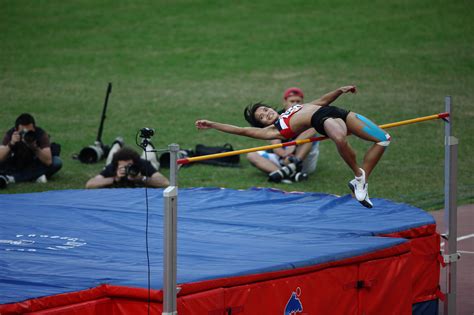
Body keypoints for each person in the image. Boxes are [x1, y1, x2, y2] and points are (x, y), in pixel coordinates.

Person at [195, 85, 391, 208]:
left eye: (265, 110)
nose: (266, 114)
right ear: (262, 125)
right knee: (340, 139)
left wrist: (340, 90)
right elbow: (241, 130)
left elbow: (322, 101)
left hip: (339, 113)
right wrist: (212, 124)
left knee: (383, 139)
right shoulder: (275, 130)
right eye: (261, 118)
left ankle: (361, 181)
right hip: (322, 120)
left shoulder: (292, 108)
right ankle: (358, 174)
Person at [246, 87, 319, 183]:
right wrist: (286, 157)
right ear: (285, 102)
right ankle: (288, 175)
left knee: (308, 139)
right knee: (251, 155)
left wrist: (293, 143)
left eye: (298, 101)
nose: (295, 104)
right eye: (292, 101)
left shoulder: (306, 114)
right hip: (284, 158)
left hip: (303, 159)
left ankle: (293, 167)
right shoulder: (274, 117)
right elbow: (276, 146)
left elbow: (313, 130)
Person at [0, 113, 62, 189]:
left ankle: (11, 178)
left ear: (34, 129)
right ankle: (35, 176)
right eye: (23, 132)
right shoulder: (11, 134)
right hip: (15, 164)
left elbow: (48, 161)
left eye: (30, 132)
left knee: (57, 162)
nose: (26, 134)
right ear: (16, 130)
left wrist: (34, 148)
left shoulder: (40, 134)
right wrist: (11, 144)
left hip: (34, 163)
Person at [85, 138, 169, 189]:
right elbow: (90, 184)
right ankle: (117, 143)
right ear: (117, 165)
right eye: (123, 166)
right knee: (110, 158)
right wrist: (114, 179)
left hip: (144, 164)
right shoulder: (112, 167)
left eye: (129, 166)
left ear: (134, 163)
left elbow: (165, 182)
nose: (126, 169)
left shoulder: (142, 164)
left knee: (150, 157)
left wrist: (141, 178)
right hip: (114, 167)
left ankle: (147, 143)